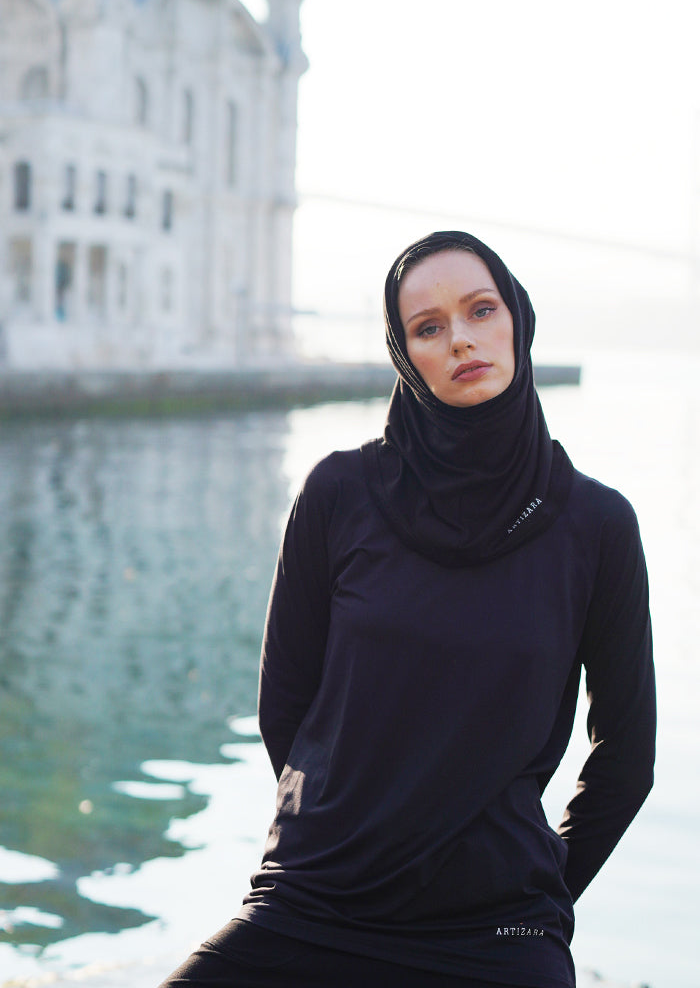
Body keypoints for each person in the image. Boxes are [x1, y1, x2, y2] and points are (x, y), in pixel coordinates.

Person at [160, 231, 656, 988]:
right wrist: (338, 834)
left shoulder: (596, 526)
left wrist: (545, 891)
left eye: (480, 310)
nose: (461, 339)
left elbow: (625, 755)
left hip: (496, 926)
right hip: (315, 901)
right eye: (429, 327)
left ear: (516, 318)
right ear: (405, 354)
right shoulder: (338, 494)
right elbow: (284, 705)